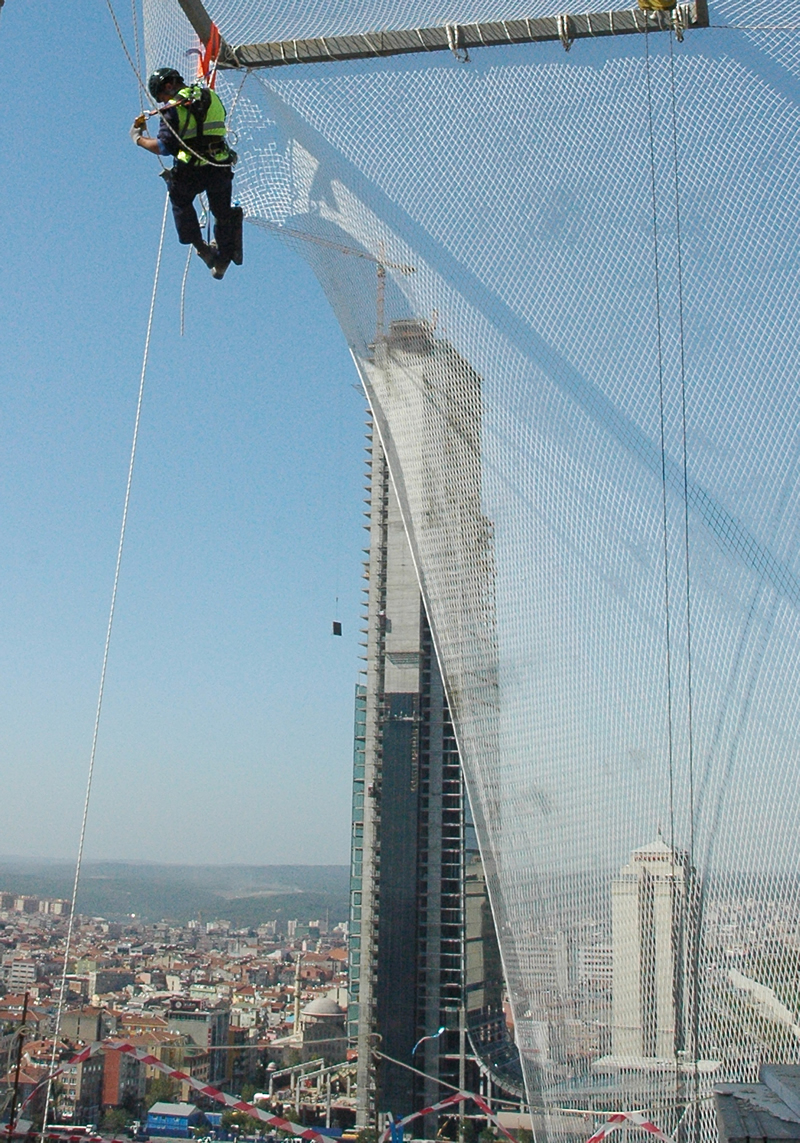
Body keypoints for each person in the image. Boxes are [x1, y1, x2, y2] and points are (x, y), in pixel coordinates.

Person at [131, 68, 243, 280]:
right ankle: (224, 257)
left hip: (192, 170)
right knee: (221, 212)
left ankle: (203, 248)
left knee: (180, 200)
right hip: (219, 166)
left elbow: (163, 148)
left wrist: (138, 138)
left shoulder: (173, 110)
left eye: (161, 97)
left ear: (168, 86)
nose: (163, 102)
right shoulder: (212, 96)